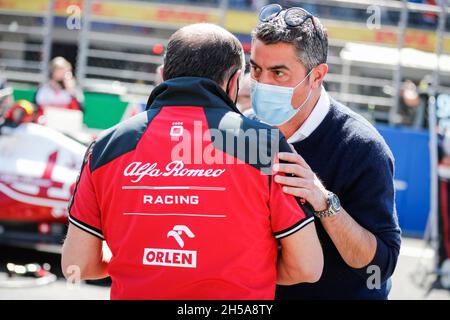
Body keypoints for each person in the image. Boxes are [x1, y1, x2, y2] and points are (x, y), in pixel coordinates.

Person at [62, 23, 323, 300]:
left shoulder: (106, 147)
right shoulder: (262, 146)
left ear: (163, 76)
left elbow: (77, 264)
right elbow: (307, 267)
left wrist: (138, 263)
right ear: (234, 82)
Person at [248, 4, 401, 299]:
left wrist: (324, 202)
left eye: (278, 73)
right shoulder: (242, 132)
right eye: (256, 69)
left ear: (317, 76)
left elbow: (380, 268)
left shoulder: (363, 147)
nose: (262, 83)